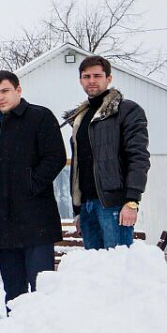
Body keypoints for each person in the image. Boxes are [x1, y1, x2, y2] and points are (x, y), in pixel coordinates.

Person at [0, 71, 66, 306]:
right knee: (13, 290)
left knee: (41, 287)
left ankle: (44, 329)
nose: (0, 97)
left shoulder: (40, 116)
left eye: (5, 91)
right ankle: (15, 329)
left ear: (18, 90)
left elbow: (55, 157)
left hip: (36, 218)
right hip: (5, 222)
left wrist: (30, 185)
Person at [62, 55, 150, 250]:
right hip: (87, 207)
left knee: (117, 263)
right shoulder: (80, 118)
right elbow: (78, 164)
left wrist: (132, 200)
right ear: (80, 80)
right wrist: (78, 209)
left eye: (97, 76)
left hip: (114, 204)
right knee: (96, 266)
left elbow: (138, 157)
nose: (91, 81)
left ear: (108, 78)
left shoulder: (126, 111)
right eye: (86, 76)